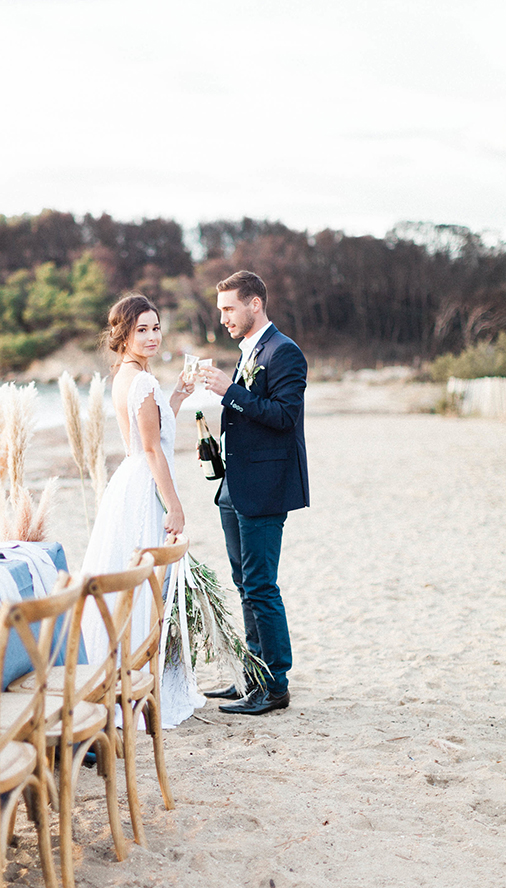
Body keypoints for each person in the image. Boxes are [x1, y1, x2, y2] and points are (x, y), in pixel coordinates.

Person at [80, 293, 205, 728]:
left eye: (155, 328)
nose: (152, 337)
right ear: (124, 334)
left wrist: (178, 396)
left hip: (130, 482)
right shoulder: (142, 381)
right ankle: (140, 688)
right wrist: (175, 505)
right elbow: (152, 449)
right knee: (150, 584)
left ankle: (128, 680)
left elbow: (151, 432)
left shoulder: (128, 375)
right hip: (145, 485)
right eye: (142, 330)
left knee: (138, 582)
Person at [201, 270, 309, 716]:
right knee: (244, 584)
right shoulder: (250, 350)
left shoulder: (285, 352)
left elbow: (285, 417)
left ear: (255, 305)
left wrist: (230, 392)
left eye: (229, 308)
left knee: (262, 586)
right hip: (235, 484)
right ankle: (251, 675)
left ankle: (275, 685)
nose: (223, 317)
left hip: (265, 488)